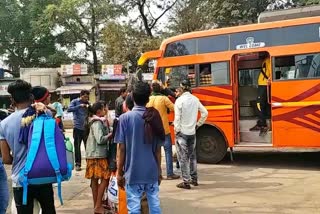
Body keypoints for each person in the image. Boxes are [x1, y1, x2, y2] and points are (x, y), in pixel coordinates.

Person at [0, 80, 56, 214]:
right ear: (31, 97)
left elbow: (6, 159)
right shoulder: (43, 114)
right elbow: (53, 112)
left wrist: (21, 160)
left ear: (12, 100)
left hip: (21, 180)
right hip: (43, 176)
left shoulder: (4, 124)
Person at [115, 81, 163, 213]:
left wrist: (119, 173)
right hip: (151, 171)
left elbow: (121, 149)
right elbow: (158, 149)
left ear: (132, 97)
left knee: (134, 208)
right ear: (148, 98)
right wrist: (159, 171)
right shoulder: (154, 116)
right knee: (154, 206)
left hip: (133, 172)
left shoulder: (125, 119)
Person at [174, 79, 208, 189]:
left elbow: (177, 118)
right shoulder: (195, 99)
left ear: (182, 88)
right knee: (192, 156)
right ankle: (194, 179)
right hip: (192, 132)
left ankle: (186, 182)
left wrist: (177, 130)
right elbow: (205, 113)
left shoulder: (179, 101)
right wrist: (198, 124)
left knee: (183, 158)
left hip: (182, 133)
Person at [147, 82, 180, 180]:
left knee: (154, 152)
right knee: (168, 151)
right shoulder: (164, 98)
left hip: (152, 129)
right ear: (160, 90)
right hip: (164, 130)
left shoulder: (148, 99)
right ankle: (169, 174)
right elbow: (175, 108)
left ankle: (158, 174)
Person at [85, 101, 112, 214]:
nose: (105, 110)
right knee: (105, 178)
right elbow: (100, 139)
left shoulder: (97, 121)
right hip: (98, 154)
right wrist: (111, 134)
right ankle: (97, 205)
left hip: (93, 154)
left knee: (94, 181)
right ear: (98, 111)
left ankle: (97, 206)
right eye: (104, 108)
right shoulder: (97, 123)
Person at [68, 90, 90, 171]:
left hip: (86, 128)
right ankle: (78, 164)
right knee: (77, 146)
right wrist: (79, 106)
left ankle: (89, 162)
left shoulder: (88, 103)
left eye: (87, 97)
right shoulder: (75, 102)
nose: (86, 98)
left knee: (88, 146)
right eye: (84, 97)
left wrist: (90, 107)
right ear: (81, 96)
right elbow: (69, 109)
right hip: (77, 127)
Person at [249, 58, 271, 136]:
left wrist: (270, 79)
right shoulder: (265, 60)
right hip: (262, 84)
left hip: (264, 84)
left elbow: (271, 72)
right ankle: (260, 123)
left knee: (259, 104)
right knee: (263, 104)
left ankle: (263, 125)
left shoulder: (268, 60)